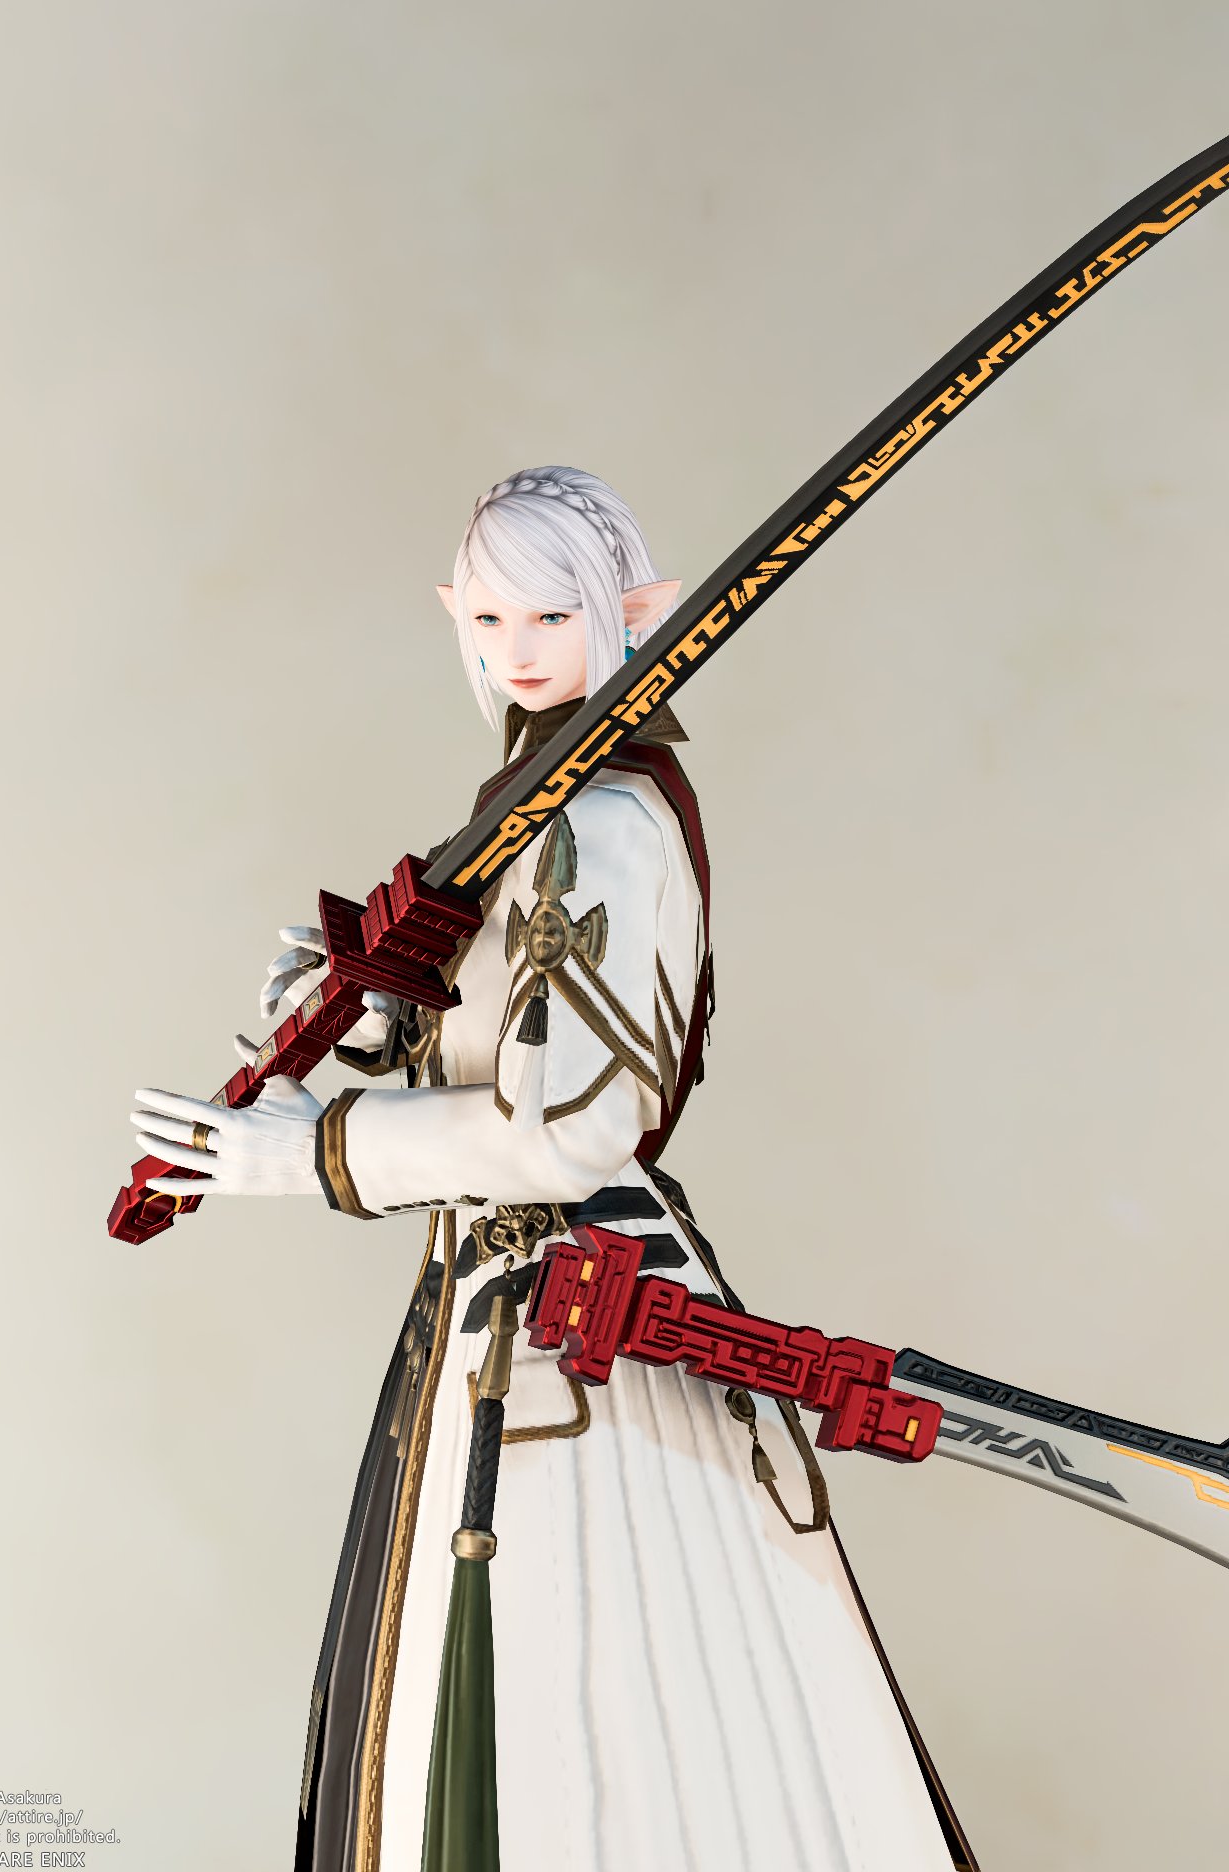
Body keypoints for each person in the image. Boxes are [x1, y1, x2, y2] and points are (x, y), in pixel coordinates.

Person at [130, 468, 976, 1872]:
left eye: (550, 617)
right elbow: (496, 1036)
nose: (515, 651)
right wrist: (374, 1014)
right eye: (488, 620)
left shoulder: (605, 823)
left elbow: (572, 1124)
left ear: (630, 616)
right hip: (495, 1313)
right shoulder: (534, 807)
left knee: (607, 1740)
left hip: (588, 1322)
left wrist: (312, 1152)